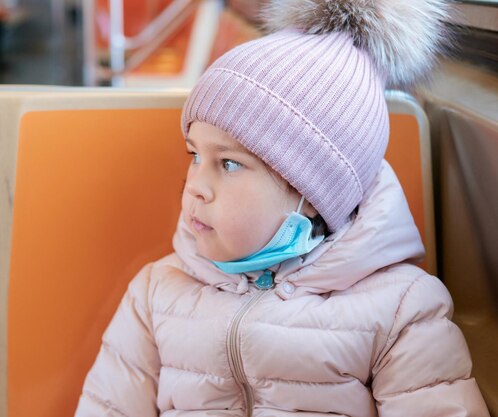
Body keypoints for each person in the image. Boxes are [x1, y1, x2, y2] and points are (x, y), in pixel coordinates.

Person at [75, 0, 491, 415]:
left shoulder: (399, 311)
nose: (195, 186)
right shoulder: (157, 294)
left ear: (312, 195)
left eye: (229, 163)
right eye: (194, 155)